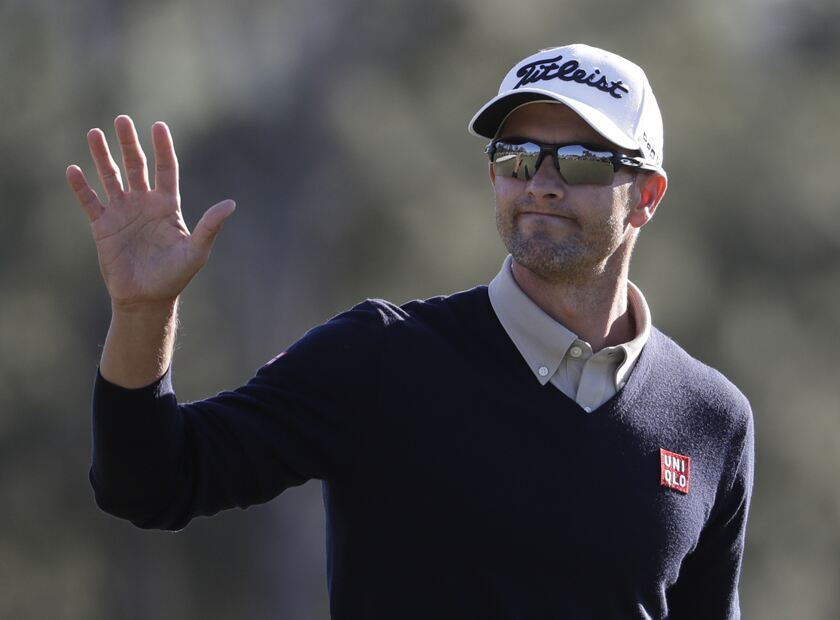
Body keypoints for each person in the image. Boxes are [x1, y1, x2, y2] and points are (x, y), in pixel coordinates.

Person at [67, 44, 754, 619]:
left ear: (646, 196)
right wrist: (141, 314)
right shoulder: (380, 358)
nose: (541, 183)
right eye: (517, 157)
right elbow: (149, 483)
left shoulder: (711, 419)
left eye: (578, 161)